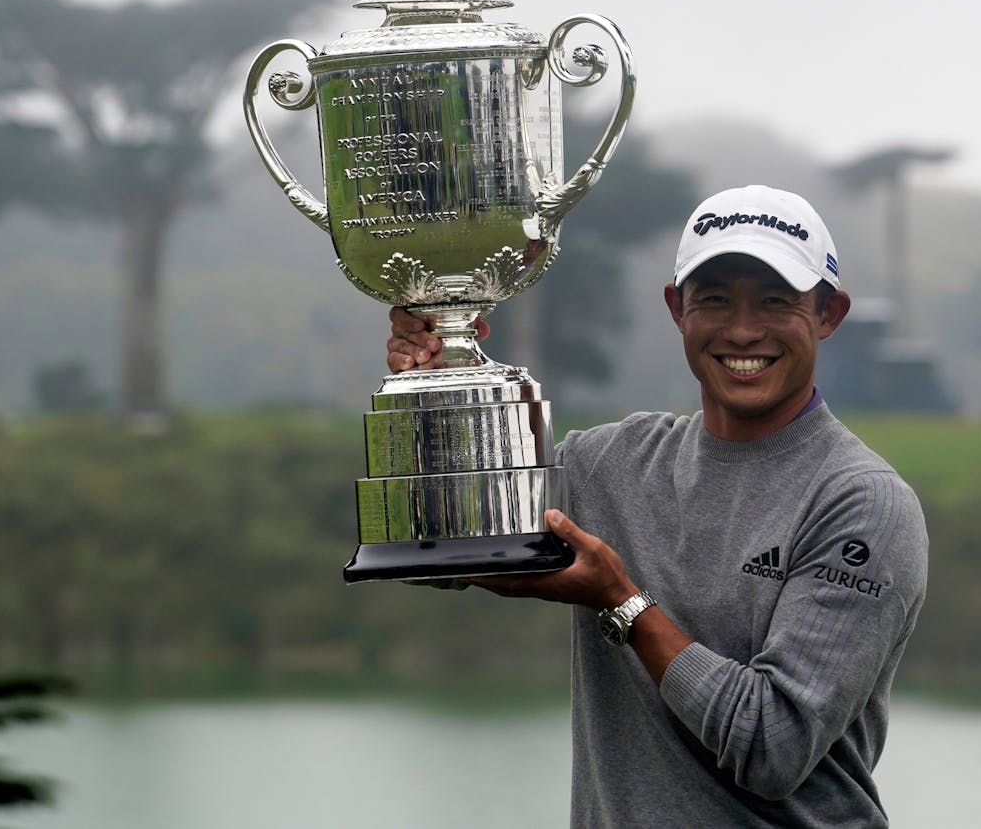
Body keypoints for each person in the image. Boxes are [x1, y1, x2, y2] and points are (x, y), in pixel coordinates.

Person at [386, 185, 928, 828]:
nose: (743, 329)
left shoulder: (861, 503)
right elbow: (437, 553)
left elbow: (771, 747)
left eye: (776, 301)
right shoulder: (609, 464)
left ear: (830, 314)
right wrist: (434, 377)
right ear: (677, 308)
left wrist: (621, 602)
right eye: (715, 299)